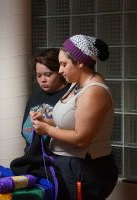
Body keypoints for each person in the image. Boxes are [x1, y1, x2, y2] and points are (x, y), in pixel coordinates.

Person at [30, 35, 118, 200]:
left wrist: (47, 130)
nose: (60, 70)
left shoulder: (94, 92)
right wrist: (46, 120)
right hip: (68, 164)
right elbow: (69, 121)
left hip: (86, 168)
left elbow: (81, 139)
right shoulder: (76, 85)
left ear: (80, 63)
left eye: (64, 64)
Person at [21, 48, 70, 152]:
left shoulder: (70, 96)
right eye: (39, 75)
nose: (42, 80)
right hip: (32, 161)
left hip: (57, 162)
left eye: (48, 75)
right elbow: (24, 131)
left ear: (60, 72)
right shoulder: (34, 98)